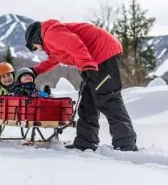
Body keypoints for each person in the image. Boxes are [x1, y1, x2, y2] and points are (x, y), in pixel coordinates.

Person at [24, 20, 137, 151]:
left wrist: (87, 64)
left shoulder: (50, 34)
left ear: (36, 37)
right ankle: (85, 142)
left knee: (108, 99)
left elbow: (74, 44)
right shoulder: (52, 38)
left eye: (34, 47)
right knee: (87, 101)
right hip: (94, 59)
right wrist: (35, 71)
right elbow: (54, 59)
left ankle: (126, 144)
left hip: (102, 54)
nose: (38, 49)